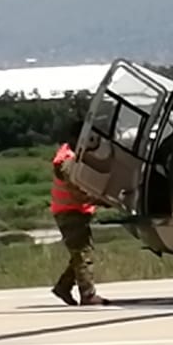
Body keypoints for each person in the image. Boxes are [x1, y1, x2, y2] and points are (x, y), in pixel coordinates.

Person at [50, 120, 110, 307]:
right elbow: (77, 187)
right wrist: (99, 199)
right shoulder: (67, 160)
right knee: (83, 253)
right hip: (70, 212)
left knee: (80, 253)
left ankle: (64, 286)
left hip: (74, 211)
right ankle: (88, 294)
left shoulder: (73, 155)